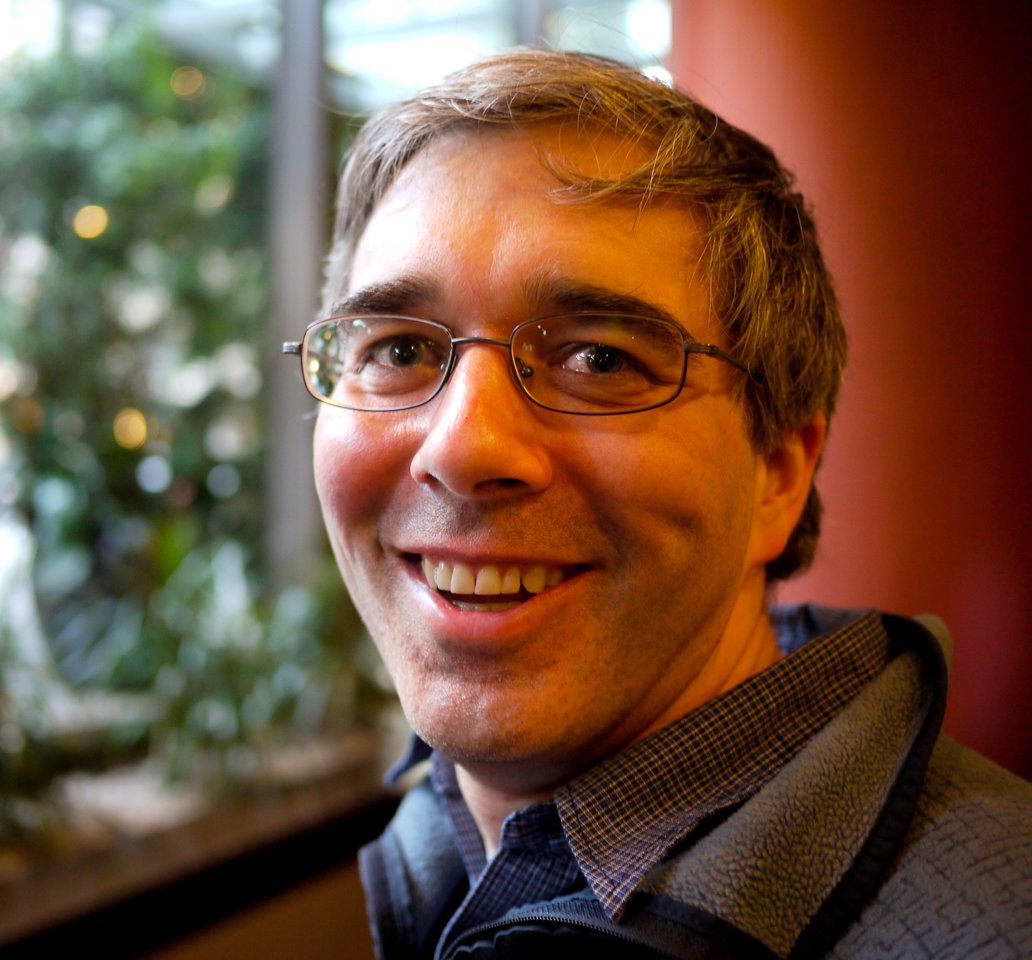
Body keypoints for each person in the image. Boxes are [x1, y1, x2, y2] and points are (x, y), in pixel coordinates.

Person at [283, 49, 1032, 959]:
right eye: (399, 352)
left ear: (780, 473)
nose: (462, 448)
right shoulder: (440, 844)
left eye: (598, 359)